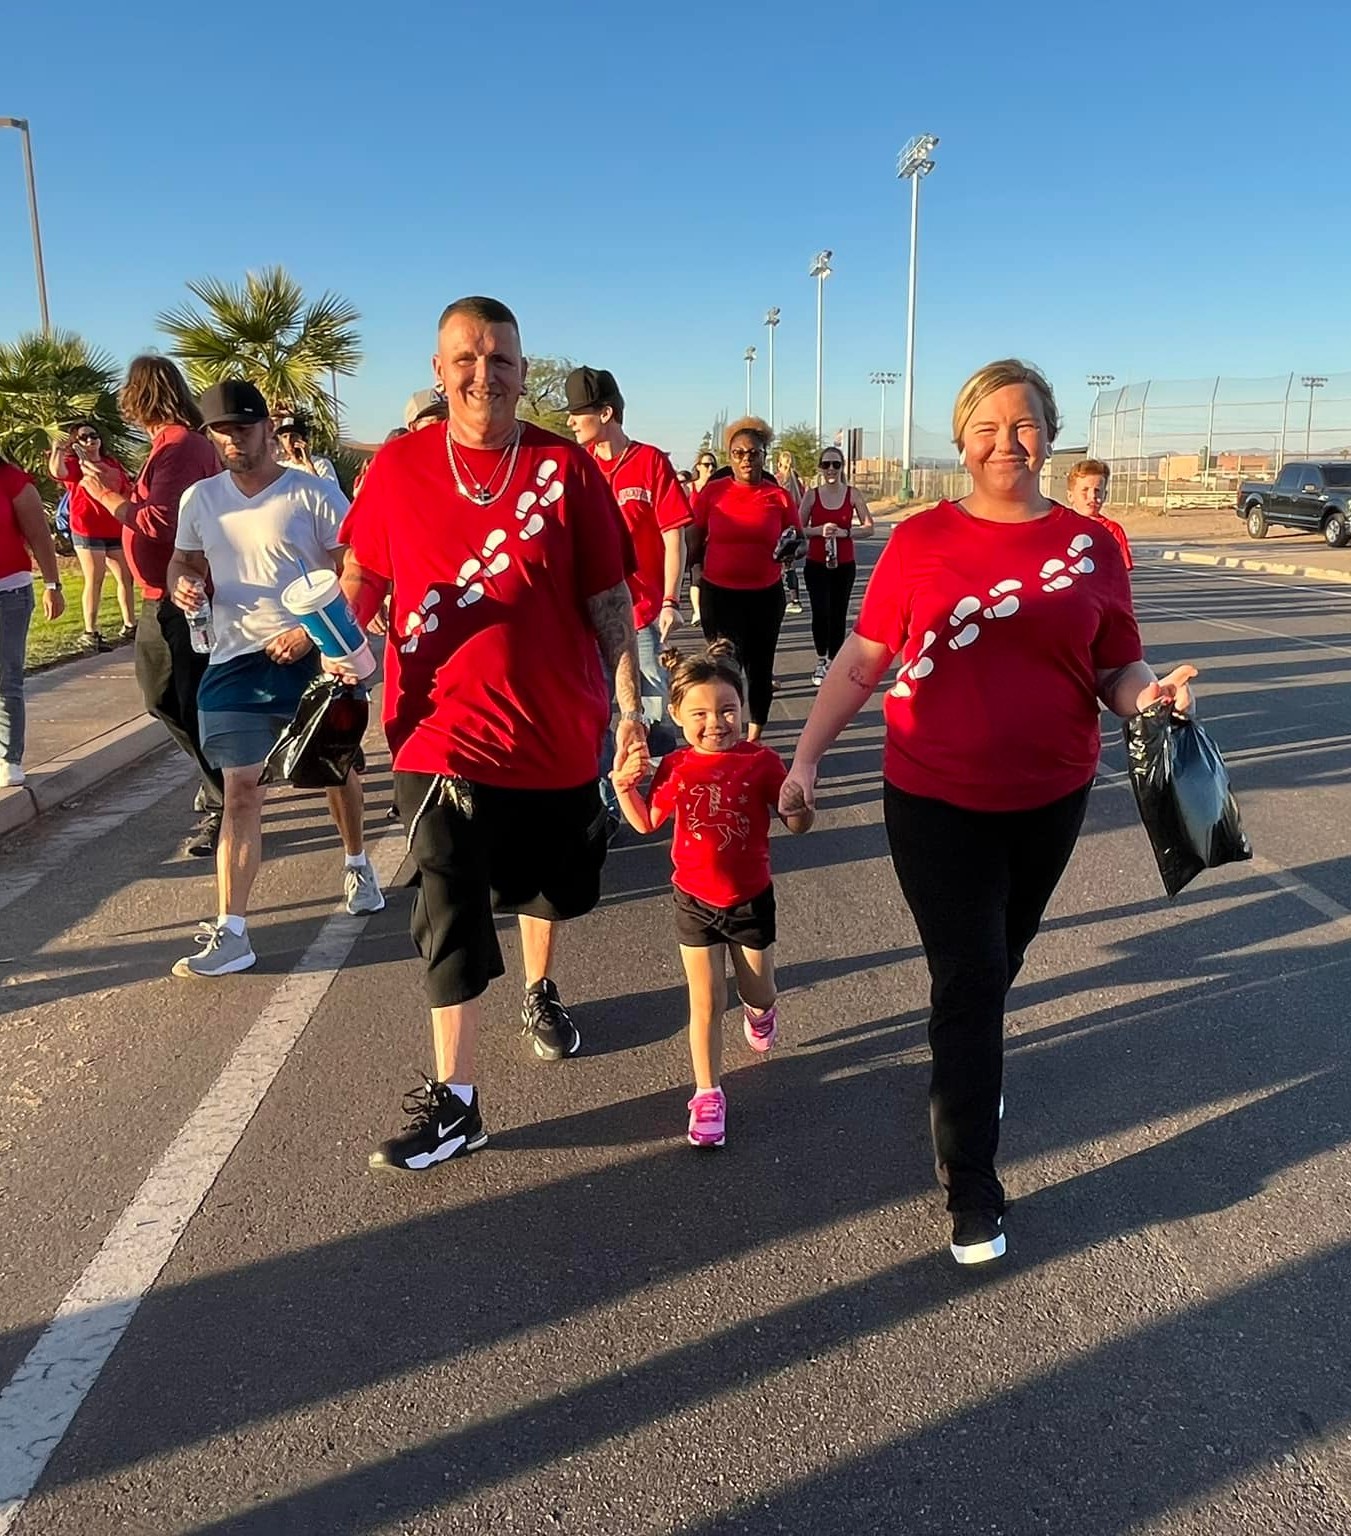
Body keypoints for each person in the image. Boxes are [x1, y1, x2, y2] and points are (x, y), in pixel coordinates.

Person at [780, 359, 1197, 1267]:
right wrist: (806, 759)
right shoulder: (921, 538)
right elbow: (862, 659)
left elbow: (1112, 668)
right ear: (960, 439)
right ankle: (971, 1180)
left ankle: (966, 1069)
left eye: (1024, 425)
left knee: (997, 961)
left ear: (1050, 436)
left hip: (1050, 796)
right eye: (987, 425)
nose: (1006, 442)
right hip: (932, 796)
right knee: (968, 978)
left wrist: (1150, 696)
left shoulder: (1092, 547)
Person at [334, 295, 646, 1173]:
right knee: (448, 896)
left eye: (500, 360)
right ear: (439, 370)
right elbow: (366, 569)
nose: (483, 375)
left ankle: (539, 986)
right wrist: (338, 639)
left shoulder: (566, 471)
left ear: (521, 369)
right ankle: (456, 1101)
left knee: (552, 889)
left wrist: (628, 713)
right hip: (435, 729)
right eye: (466, 359)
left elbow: (607, 600)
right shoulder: (395, 469)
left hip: (553, 728)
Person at [165, 380, 378, 980]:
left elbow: (354, 568)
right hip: (234, 661)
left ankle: (357, 862)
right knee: (241, 792)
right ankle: (232, 932)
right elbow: (185, 560)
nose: (233, 439)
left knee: (337, 772)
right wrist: (183, 581)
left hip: (318, 660)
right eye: (221, 431)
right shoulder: (200, 500)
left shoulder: (313, 494)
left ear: (267, 428)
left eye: (242, 427)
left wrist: (312, 633)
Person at [611, 640, 812, 1146]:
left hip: (749, 900)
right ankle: (707, 1094)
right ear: (676, 715)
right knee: (704, 1002)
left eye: (727, 709)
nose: (715, 722)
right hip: (693, 901)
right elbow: (646, 822)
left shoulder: (763, 762)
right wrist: (623, 788)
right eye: (699, 712)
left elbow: (797, 824)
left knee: (755, 991)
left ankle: (761, 1010)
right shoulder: (675, 766)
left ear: (743, 708)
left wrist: (800, 803)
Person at [80, 356, 226, 855]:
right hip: (159, 596)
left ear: (141, 396)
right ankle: (224, 784)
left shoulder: (181, 447)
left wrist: (106, 497)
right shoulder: (167, 447)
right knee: (163, 697)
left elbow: (161, 522)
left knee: (187, 700)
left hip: (181, 596)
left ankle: (226, 797)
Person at [565, 364, 690, 766]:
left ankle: (657, 779)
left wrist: (670, 599)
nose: (570, 420)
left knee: (651, 704)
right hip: (589, 614)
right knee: (598, 707)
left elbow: (674, 537)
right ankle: (606, 797)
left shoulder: (650, 462)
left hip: (641, 613)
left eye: (578, 411)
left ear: (605, 413)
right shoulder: (576, 466)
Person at [686, 417, 801, 743]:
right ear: (729, 456)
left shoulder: (778, 497)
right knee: (723, 668)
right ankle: (726, 738)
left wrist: (794, 547)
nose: (746, 459)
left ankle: (753, 741)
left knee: (760, 670)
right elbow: (693, 541)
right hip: (719, 596)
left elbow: (799, 539)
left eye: (753, 453)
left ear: (765, 454)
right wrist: (688, 573)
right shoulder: (713, 493)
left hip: (765, 596)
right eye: (738, 453)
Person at [0, 455, 66, 787]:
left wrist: (53, 585)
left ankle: (8, 756)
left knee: (5, 676)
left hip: (8, 592)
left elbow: (39, 537)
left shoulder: (12, 480)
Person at [47, 424, 136, 652]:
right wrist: (58, 448)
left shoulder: (111, 464)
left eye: (94, 435)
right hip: (87, 528)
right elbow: (58, 472)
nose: (90, 440)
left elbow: (126, 488)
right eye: (84, 437)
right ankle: (90, 631)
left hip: (114, 526)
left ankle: (130, 624)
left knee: (125, 577)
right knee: (95, 578)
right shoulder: (75, 466)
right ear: (76, 442)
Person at [800, 445, 876, 685]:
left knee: (838, 612)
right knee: (821, 612)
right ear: (820, 468)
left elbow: (869, 527)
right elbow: (798, 527)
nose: (831, 469)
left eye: (836, 464)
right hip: (816, 563)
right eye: (826, 465)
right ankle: (821, 659)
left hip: (844, 564)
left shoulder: (852, 494)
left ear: (843, 467)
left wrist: (845, 533)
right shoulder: (812, 495)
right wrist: (818, 531)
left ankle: (834, 660)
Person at [1065, 458, 1132, 570]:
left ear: (1104, 495)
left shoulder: (1112, 530)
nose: (1092, 496)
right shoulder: (1059, 527)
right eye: (1085, 490)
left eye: (1097, 490)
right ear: (1070, 496)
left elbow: (1122, 573)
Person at [775, 450, 806, 615]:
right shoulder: (798, 482)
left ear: (780, 464)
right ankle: (795, 599)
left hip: (778, 529)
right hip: (794, 529)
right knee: (789, 565)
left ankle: (778, 599)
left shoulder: (777, 480)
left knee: (775, 566)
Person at [274, 414, 339, 482]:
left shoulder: (321, 464)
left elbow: (330, 490)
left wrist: (308, 463)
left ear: (303, 439)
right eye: (285, 436)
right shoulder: (281, 467)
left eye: (293, 436)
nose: (289, 441)